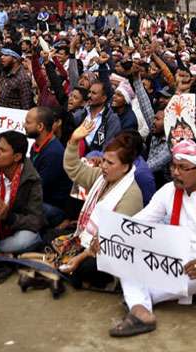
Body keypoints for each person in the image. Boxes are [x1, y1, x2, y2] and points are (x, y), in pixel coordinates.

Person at [113, 140, 196, 337]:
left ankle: (138, 301)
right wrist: (109, 235)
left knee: (153, 281)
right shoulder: (168, 191)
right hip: (176, 260)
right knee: (124, 257)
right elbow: (140, 222)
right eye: (173, 166)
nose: (175, 172)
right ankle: (141, 310)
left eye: (182, 168)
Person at [57, 121, 143, 284]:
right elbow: (74, 169)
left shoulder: (131, 195)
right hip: (87, 240)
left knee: (84, 268)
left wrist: (81, 257)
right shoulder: (101, 177)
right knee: (50, 236)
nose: (103, 166)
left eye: (110, 163)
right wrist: (74, 141)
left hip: (109, 252)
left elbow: (113, 239)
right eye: (103, 160)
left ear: (125, 167)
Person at [24, 107, 71, 228]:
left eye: (28, 122)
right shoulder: (38, 145)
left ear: (40, 127)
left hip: (53, 207)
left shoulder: (53, 153)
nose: (24, 125)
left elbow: (38, 188)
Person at [0, 15, 34, 109]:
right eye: (2, 55)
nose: (2, 58)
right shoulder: (5, 68)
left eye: (6, 55)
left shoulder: (23, 79)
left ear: (16, 59)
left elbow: (26, 107)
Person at [73, 81, 121, 155]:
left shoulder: (111, 119)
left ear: (103, 98)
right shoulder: (81, 114)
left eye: (94, 93)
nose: (89, 95)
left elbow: (108, 147)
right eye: (89, 92)